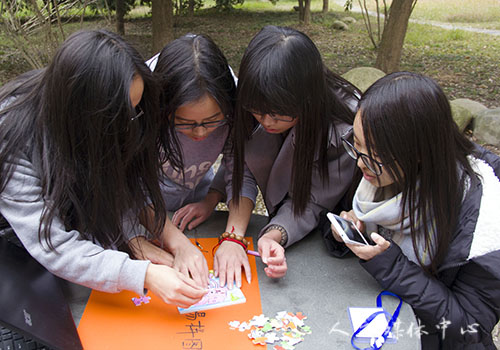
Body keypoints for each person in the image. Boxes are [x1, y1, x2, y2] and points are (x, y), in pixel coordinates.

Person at [0, 30, 206, 308]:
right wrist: (143, 274)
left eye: (136, 109)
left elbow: (111, 185)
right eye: (123, 115)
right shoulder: (11, 136)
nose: (130, 124)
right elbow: (52, 244)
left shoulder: (92, 108)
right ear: (87, 114)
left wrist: (144, 239)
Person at [328, 71, 500, 349]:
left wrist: (391, 265)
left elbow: (470, 326)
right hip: (381, 324)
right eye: (356, 144)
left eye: (372, 154)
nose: (360, 163)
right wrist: (346, 233)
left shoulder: (484, 218)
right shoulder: (378, 173)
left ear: (417, 152)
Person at [212, 25, 361, 289]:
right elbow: (240, 163)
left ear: (307, 100)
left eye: (279, 114)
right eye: (257, 111)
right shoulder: (250, 97)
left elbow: (313, 201)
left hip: (333, 241)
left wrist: (275, 233)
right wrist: (228, 225)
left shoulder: (344, 130)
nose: (267, 121)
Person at [130, 33, 257, 288]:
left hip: (194, 199)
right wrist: (175, 242)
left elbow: (240, 169)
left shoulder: (234, 101)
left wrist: (233, 237)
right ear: (163, 109)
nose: (200, 133)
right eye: (185, 124)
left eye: (212, 122)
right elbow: (132, 185)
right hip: (139, 213)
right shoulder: (140, 104)